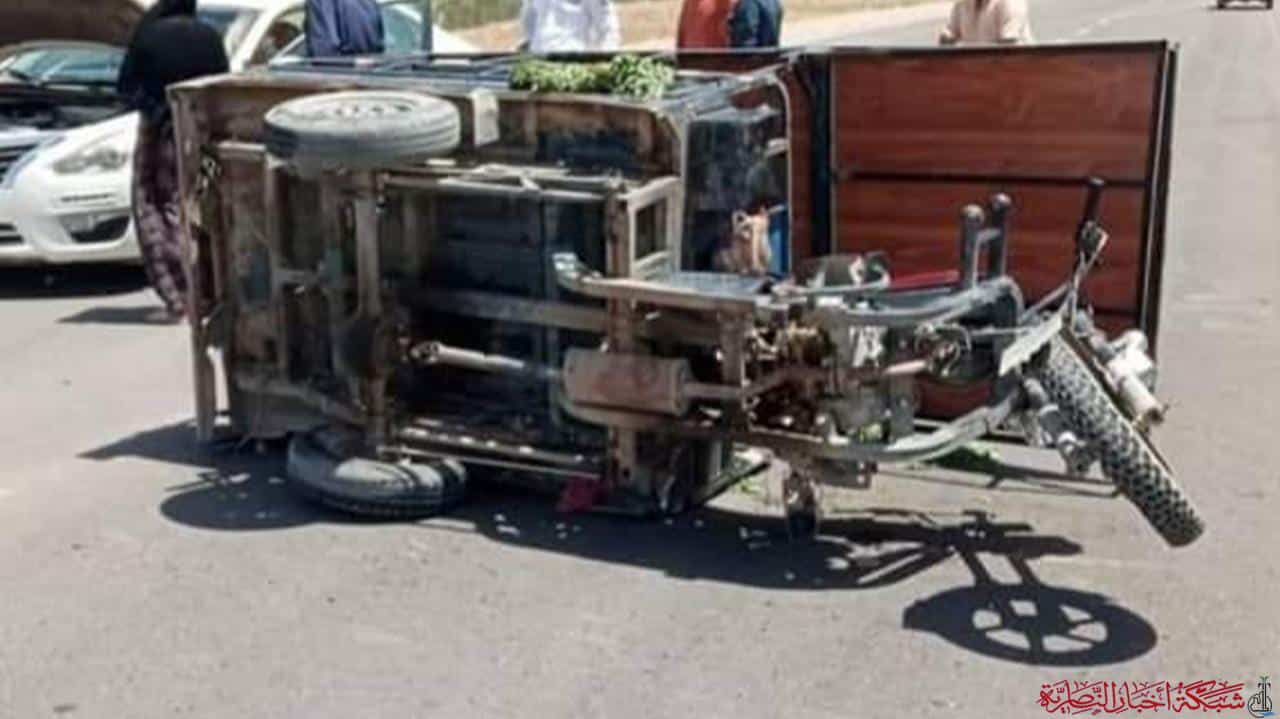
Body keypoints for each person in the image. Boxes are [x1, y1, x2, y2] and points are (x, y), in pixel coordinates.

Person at [117, 0, 229, 320]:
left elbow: (126, 87)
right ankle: (210, 291)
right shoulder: (209, 36)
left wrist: (156, 109)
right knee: (201, 206)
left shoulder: (149, 36)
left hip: (160, 134)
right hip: (203, 134)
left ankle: (180, 295)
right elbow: (221, 83)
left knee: (157, 206)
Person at [519, 0, 622, 53]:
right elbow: (529, 21)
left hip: (572, 61)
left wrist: (603, 63)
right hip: (537, 60)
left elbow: (608, 29)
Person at [305, 0, 385, 57]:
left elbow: (324, 53)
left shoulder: (320, 2)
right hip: (376, 69)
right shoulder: (369, 3)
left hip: (343, 71)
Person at [939, 0, 1034, 45]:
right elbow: (947, 37)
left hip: (1016, 69)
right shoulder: (961, 5)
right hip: (975, 69)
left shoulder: (1011, 3)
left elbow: (1008, 47)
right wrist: (946, 38)